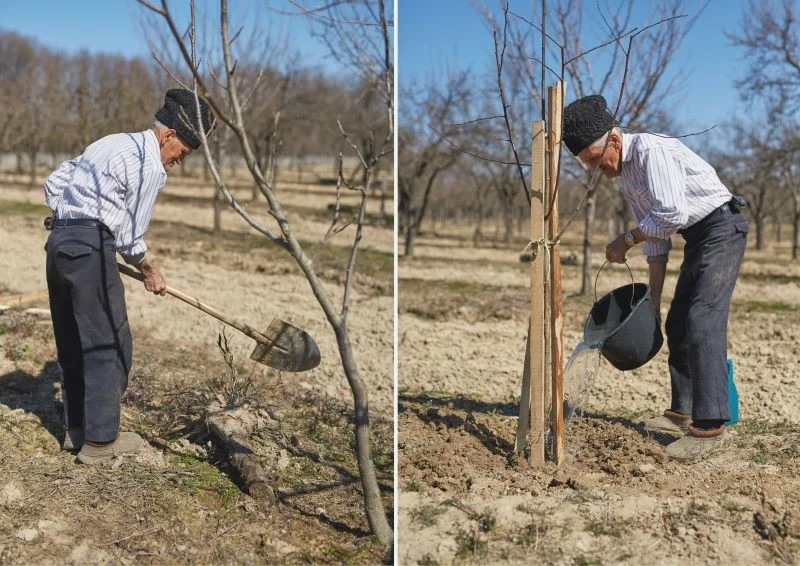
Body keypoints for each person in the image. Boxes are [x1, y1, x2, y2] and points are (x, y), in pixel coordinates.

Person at [562, 94, 748, 461]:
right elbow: (658, 241)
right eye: (585, 163)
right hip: (697, 236)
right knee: (678, 322)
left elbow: (672, 213)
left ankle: (710, 427)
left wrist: (627, 238)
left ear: (613, 141)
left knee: (703, 319)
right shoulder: (627, 178)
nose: (592, 168)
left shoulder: (651, 151)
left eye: (593, 159)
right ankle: (682, 413)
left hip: (722, 229)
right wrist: (653, 302)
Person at [43, 88, 215, 464]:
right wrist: (148, 267)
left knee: (73, 341)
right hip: (90, 249)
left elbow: (55, 182)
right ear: (169, 135)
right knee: (111, 344)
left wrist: (71, 225)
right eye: (182, 153)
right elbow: (129, 235)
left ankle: (77, 432)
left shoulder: (110, 142)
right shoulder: (149, 165)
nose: (178, 163)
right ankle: (102, 442)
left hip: (58, 244)